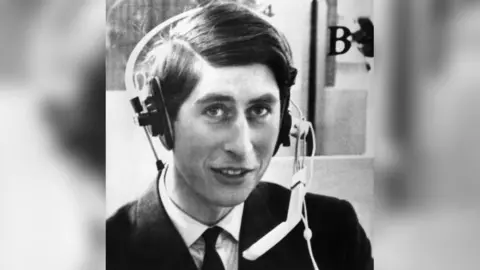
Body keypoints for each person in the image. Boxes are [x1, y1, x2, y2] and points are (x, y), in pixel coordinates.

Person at [107, 2, 373, 270]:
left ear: (284, 122)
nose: (242, 146)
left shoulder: (334, 235)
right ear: (164, 122)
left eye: (259, 110)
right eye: (215, 110)